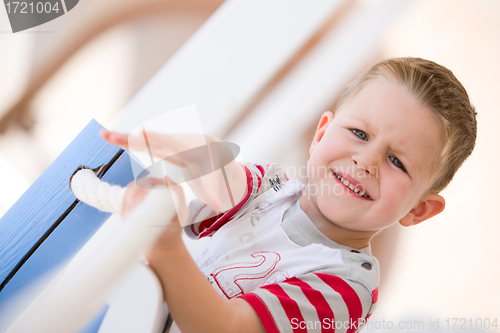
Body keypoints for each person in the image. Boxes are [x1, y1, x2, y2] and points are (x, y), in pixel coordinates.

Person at [102, 57, 477, 333]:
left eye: (396, 161)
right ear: (320, 135)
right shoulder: (272, 185)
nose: (365, 161)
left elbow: (228, 328)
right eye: (359, 134)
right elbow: (225, 184)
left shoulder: (346, 288)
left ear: (419, 209)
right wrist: (196, 156)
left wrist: (165, 248)